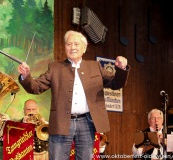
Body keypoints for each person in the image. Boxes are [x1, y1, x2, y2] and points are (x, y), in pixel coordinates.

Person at [17, 30, 130, 160]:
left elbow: (116, 83)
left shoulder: (95, 66)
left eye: (76, 44)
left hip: (87, 123)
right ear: (65, 47)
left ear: (84, 48)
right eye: (69, 44)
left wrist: (122, 69)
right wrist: (25, 76)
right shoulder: (55, 68)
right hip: (61, 123)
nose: (73, 47)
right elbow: (36, 87)